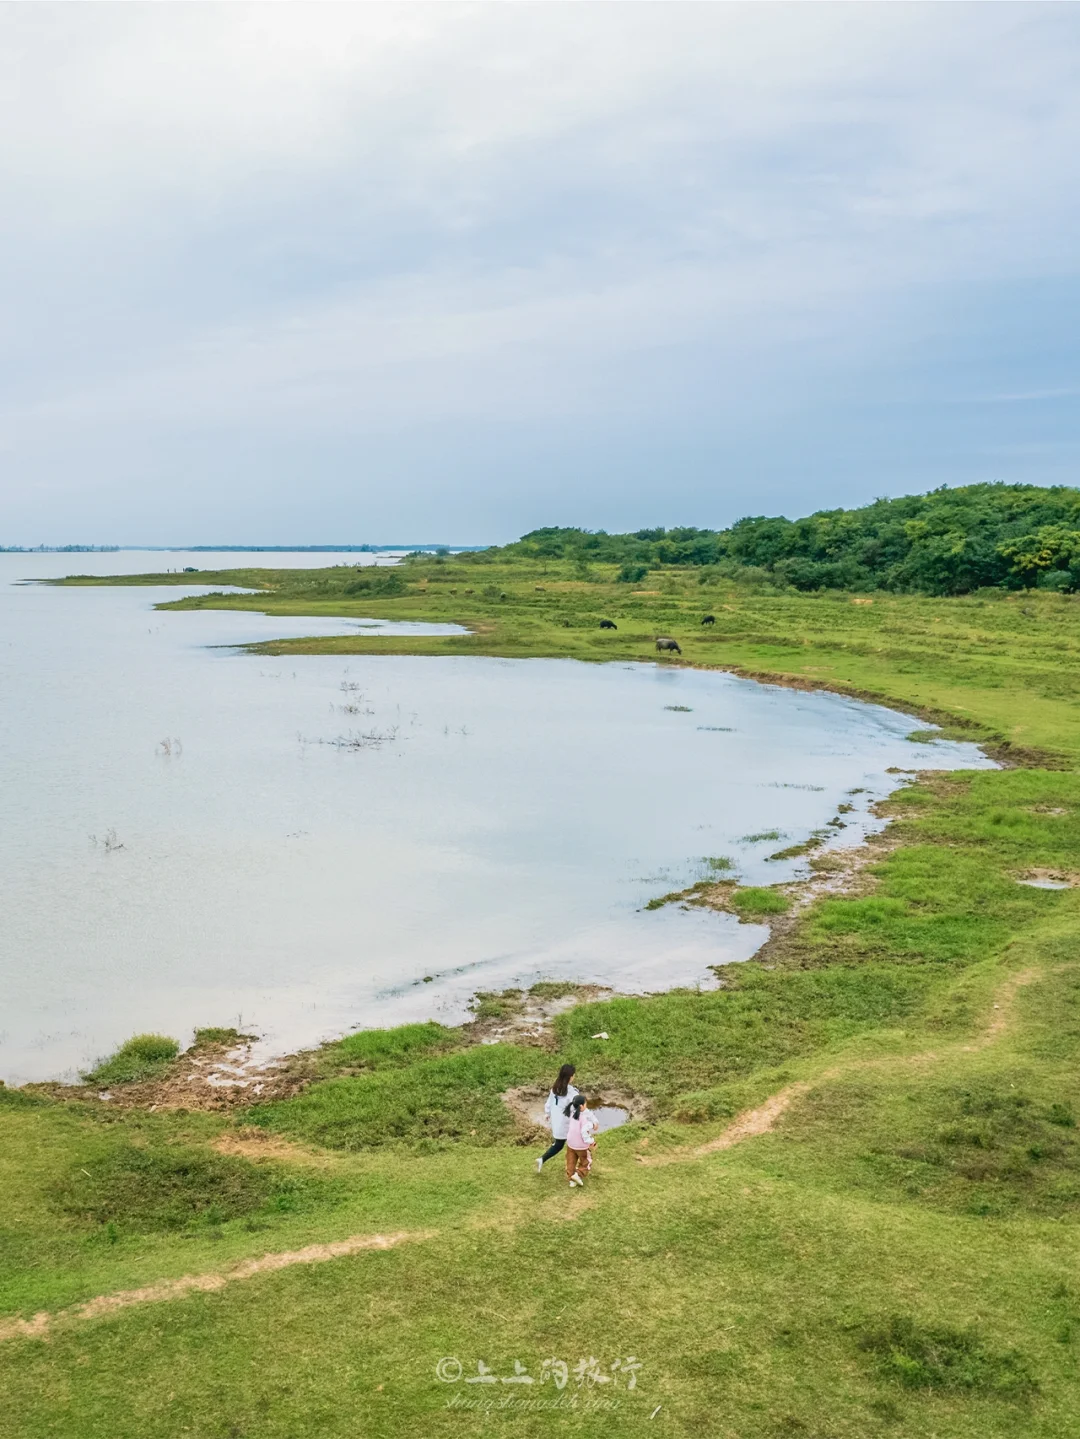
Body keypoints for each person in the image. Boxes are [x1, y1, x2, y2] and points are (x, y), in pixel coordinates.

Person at [536, 1063, 579, 1171]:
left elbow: (549, 1103)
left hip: (556, 1122)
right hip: (566, 1124)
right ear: (570, 1077)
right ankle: (574, 1167)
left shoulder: (554, 1088)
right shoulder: (571, 1092)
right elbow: (577, 1108)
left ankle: (543, 1159)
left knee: (559, 1144)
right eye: (573, 1075)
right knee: (572, 1144)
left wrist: (547, 1113)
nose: (574, 1077)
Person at [564, 1094, 597, 1187]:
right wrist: (592, 1141)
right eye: (586, 1103)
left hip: (570, 1143)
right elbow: (584, 1133)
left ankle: (571, 1179)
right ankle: (578, 1175)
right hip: (581, 1146)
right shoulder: (584, 1118)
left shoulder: (571, 1114)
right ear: (582, 1106)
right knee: (586, 1162)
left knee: (571, 1161)